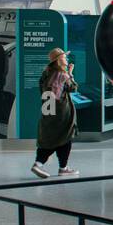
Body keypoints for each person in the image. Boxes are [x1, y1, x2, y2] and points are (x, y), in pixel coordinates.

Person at [32, 47, 79, 179]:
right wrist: (69, 74)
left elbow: (47, 94)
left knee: (50, 138)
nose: (66, 59)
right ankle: (61, 168)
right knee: (64, 138)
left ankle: (39, 163)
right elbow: (73, 87)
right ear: (58, 60)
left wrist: (68, 72)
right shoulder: (61, 75)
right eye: (64, 57)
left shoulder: (46, 73)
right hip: (61, 114)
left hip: (48, 111)